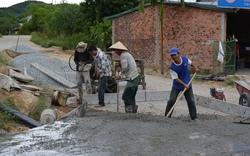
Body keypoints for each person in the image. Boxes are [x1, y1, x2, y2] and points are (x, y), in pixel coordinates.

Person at [164, 47, 199, 120]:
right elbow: (176, 79)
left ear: (179, 54)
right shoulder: (172, 68)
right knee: (172, 100)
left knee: (191, 101)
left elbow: (191, 63)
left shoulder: (185, 59)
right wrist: (184, 84)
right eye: (172, 55)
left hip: (187, 84)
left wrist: (195, 68)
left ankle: (194, 117)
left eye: (175, 55)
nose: (173, 57)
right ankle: (167, 116)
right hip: (177, 86)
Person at [109, 41, 140, 113]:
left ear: (119, 49)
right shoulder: (126, 54)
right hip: (135, 77)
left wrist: (120, 76)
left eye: (115, 50)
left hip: (133, 78)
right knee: (131, 96)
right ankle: (133, 110)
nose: (115, 52)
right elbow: (125, 66)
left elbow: (125, 67)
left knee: (126, 96)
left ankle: (129, 112)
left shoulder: (123, 55)